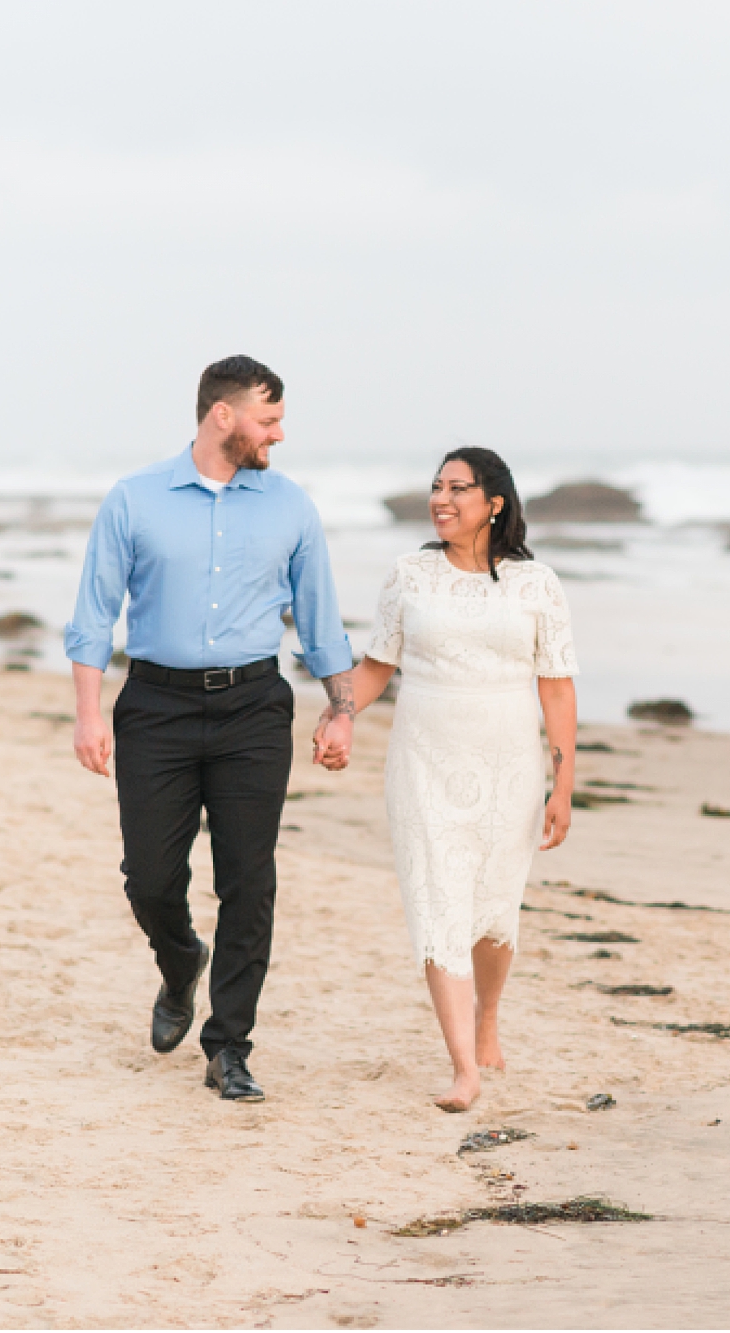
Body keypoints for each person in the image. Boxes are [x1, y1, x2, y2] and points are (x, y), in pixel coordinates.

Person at [65, 354, 358, 1104]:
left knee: (248, 881)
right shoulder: (134, 500)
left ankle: (228, 1046)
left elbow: (320, 616)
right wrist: (88, 712)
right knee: (151, 878)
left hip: (253, 709)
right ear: (221, 415)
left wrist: (341, 706)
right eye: (269, 418)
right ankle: (178, 961)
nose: (279, 434)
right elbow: (94, 614)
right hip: (155, 707)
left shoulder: (290, 505)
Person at [318, 447, 578, 1111]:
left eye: (459, 488)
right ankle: (464, 1068)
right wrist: (338, 716)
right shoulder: (410, 575)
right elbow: (377, 666)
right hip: (424, 763)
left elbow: (557, 686)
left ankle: (488, 1015)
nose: (442, 498)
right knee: (438, 905)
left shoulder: (536, 584)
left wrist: (564, 780)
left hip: (509, 765)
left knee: (494, 909)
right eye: (436, 486)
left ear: (494, 502)